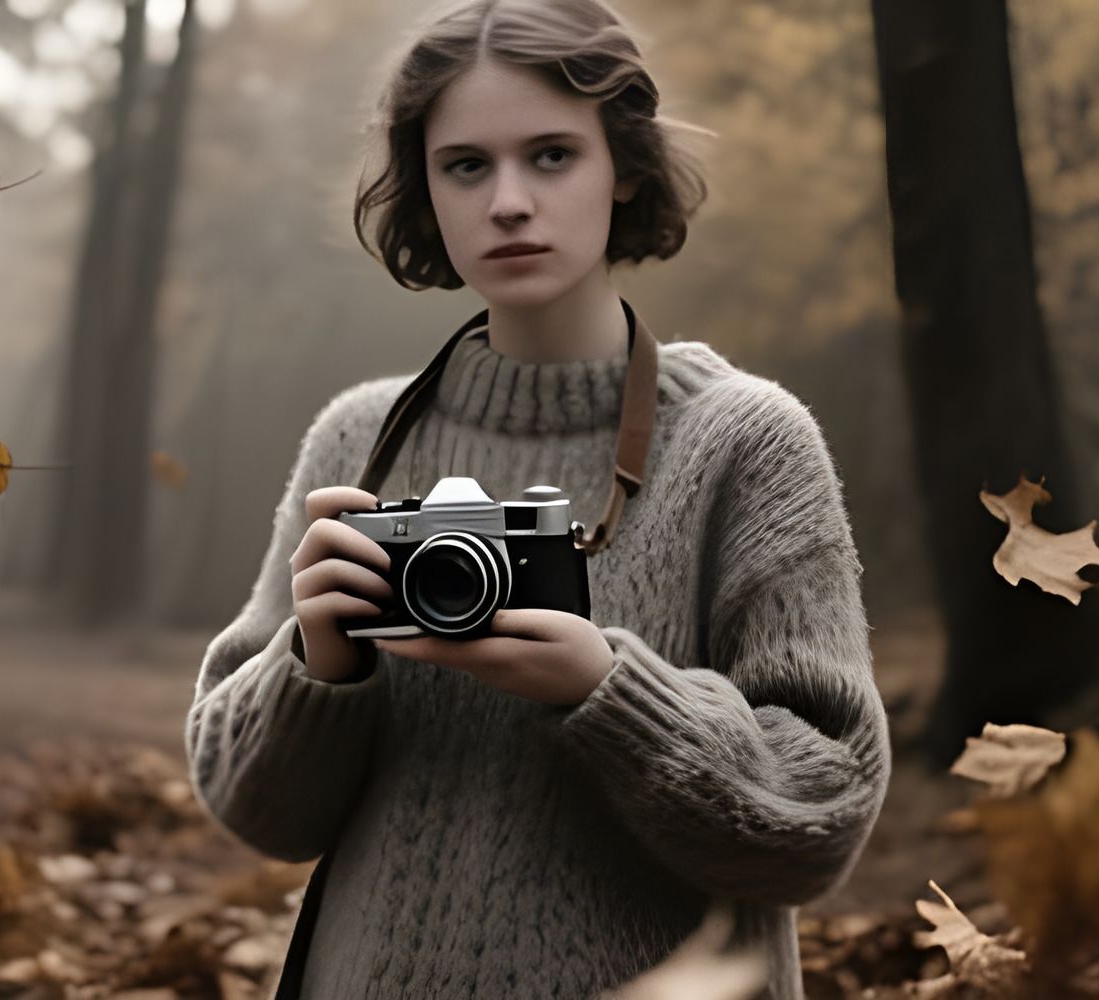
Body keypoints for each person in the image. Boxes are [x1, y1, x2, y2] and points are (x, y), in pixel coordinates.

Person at [184, 1, 891, 998]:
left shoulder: (743, 443)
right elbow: (256, 810)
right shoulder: (360, 441)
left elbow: (823, 809)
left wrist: (609, 688)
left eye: (551, 156)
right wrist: (317, 666)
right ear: (426, 191)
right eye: (465, 165)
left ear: (626, 167)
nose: (507, 201)